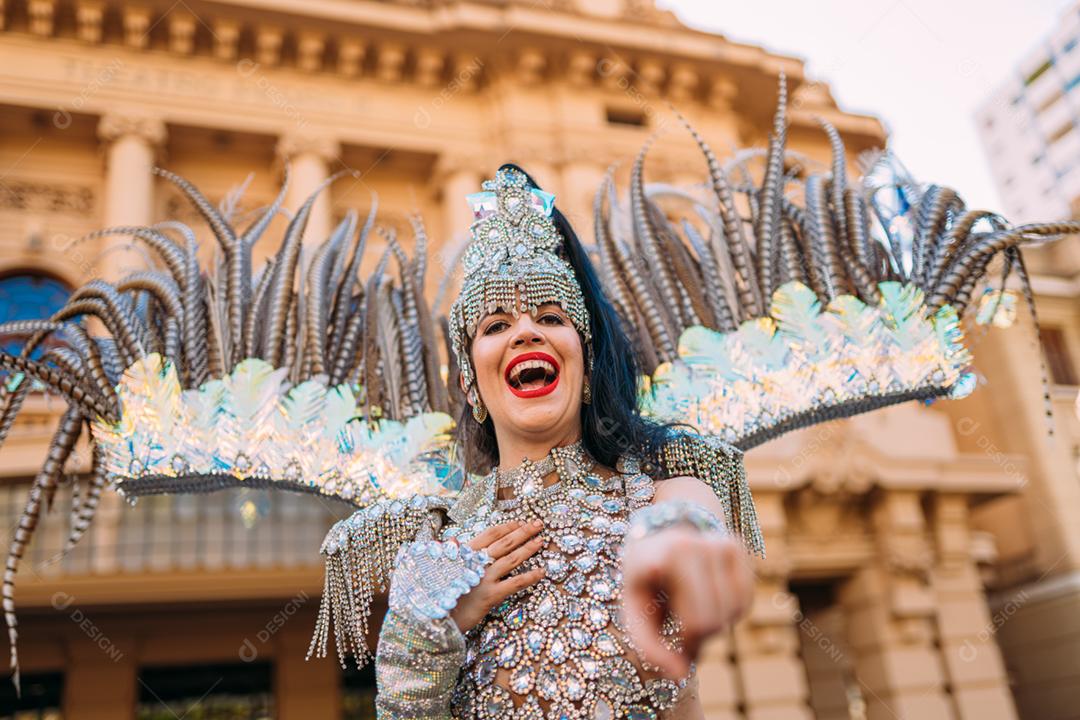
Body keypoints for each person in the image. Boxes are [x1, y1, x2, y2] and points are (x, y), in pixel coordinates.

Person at [342, 165, 762, 720]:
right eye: (494, 326)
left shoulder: (664, 497)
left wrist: (671, 556)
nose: (524, 332)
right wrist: (425, 637)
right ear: (472, 382)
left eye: (549, 316)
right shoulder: (435, 550)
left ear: (585, 366)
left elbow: (692, 537)